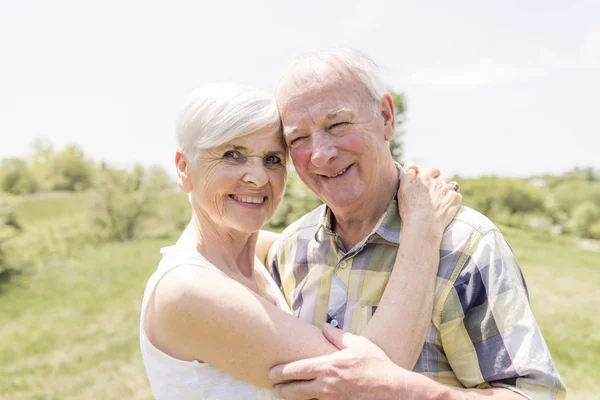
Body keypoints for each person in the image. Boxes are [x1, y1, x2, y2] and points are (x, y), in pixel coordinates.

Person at [266, 49, 567, 400]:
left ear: (386, 117)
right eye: (298, 139)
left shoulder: (466, 245)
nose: (320, 154)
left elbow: (536, 395)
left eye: (337, 125)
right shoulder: (290, 249)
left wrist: (403, 391)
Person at [139, 82, 462, 399]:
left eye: (272, 159)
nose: (258, 177)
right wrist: (422, 227)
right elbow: (371, 384)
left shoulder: (253, 255)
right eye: (232, 155)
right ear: (184, 168)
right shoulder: (188, 291)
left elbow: (335, 239)